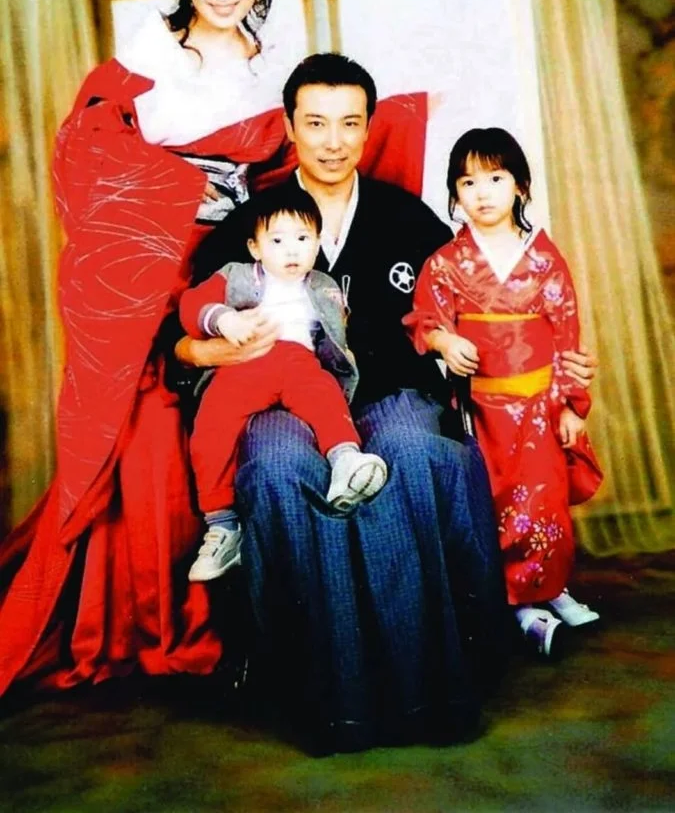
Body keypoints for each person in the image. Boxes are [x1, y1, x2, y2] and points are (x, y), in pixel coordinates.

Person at [0, 0, 428, 698]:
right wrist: (169, 194)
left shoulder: (274, 56)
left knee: (264, 417)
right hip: (157, 265)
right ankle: (156, 628)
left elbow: (297, 160)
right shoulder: (148, 53)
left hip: (246, 258)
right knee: (154, 434)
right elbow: (87, 159)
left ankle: (254, 633)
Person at [180, 54, 598, 750]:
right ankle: (328, 703)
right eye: (316, 123)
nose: (332, 141)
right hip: (277, 396)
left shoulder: (407, 219)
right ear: (290, 127)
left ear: (369, 128)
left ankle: (427, 696)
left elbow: (483, 314)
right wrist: (209, 352)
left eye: (349, 123)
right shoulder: (250, 223)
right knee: (280, 468)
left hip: (387, 390)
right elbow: (182, 335)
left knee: (412, 451)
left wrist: (559, 362)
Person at [405, 128, 603, 659]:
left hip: (539, 405)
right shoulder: (446, 262)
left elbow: (566, 333)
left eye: (495, 178)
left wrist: (571, 405)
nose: (482, 192)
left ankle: (551, 587)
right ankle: (516, 602)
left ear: (520, 185)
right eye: (468, 182)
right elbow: (426, 319)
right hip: (481, 408)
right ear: (455, 193)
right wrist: (446, 341)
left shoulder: (544, 258)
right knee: (493, 502)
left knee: (545, 500)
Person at [179, 184, 387, 582]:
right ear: (255, 247)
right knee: (212, 429)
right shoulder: (236, 276)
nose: (292, 251)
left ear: (318, 242)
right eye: (277, 241)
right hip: (244, 366)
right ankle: (222, 524)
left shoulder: (323, 285)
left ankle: (345, 460)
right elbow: (191, 306)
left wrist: (342, 351)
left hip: (298, 363)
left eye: (303, 239)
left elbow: (335, 337)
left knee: (326, 398)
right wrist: (224, 320)